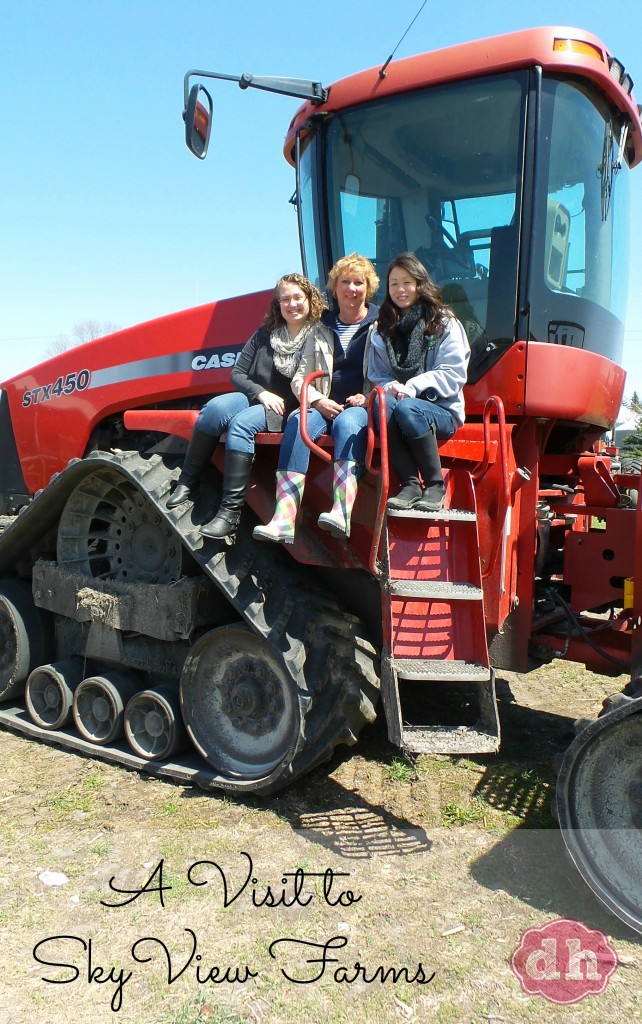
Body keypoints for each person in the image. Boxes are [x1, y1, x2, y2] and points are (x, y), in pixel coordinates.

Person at [167, 273, 327, 541]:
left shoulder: (319, 337)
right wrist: (261, 393)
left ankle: (229, 514)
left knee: (241, 425)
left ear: (310, 300)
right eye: (285, 299)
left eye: (298, 298)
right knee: (215, 409)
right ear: (278, 304)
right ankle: (187, 480)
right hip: (258, 397)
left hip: (290, 407)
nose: (292, 304)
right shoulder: (265, 334)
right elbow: (238, 374)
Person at [253, 253, 380, 544]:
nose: (351, 289)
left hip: (360, 405)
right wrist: (317, 401)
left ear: (368, 288)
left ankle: (341, 511)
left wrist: (368, 395)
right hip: (321, 402)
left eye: (358, 282)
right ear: (334, 288)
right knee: (298, 421)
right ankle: (284, 518)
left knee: (350, 424)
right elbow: (300, 377)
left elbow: (386, 373)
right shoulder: (320, 328)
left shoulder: (380, 327)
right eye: (344, 282)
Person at [368, 252, 469, 512]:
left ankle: (435, 486)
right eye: (394, 284)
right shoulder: (382, 329)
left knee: (406, 407)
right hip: (402, 405)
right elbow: (377, 374)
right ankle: (410, 485)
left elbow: (453, 371)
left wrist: (412, 386)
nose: (400, 290)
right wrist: (389, 385)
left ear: (420, 284)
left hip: (442, 410)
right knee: (384, 406)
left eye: (407, 282)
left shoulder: (443, 322)